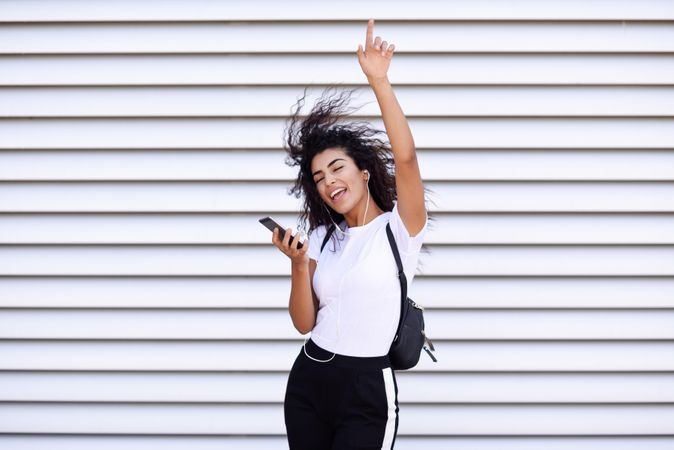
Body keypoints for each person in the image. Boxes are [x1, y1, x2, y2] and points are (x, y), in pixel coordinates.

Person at [272, 18, 429, 450]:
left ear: (362, 170)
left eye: (337, 168)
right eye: (319, 177)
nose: (328, 182)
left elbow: (408, 159)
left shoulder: (401, 228)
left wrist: (379, 81)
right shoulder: (323, 237)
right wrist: (299, 265)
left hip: (365, 390)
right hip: (309, 379)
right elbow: (304, 323)